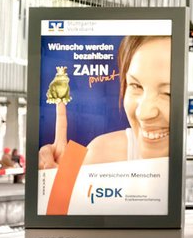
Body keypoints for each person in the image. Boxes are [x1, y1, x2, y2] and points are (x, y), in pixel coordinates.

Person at [38, 35, 172, 169]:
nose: (143, 113)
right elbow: (60, 188)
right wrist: (59, 182)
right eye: (136, 86)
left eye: (168, 93)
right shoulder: (100, 154)